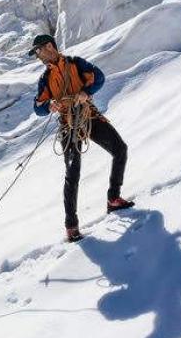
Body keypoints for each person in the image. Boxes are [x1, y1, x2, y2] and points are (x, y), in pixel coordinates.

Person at [29, 34, 134, 242]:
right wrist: (50, 105)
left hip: (88, 116)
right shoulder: (45, 79)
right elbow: (37, 107)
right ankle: (71, 226)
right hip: (68, 124)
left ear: (49, 47)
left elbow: (99, 77)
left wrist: (85, 92)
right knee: (73, 171)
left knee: (120, 149)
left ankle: (113, 197)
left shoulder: (76, 64)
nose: (38, 56)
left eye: (38, 51)